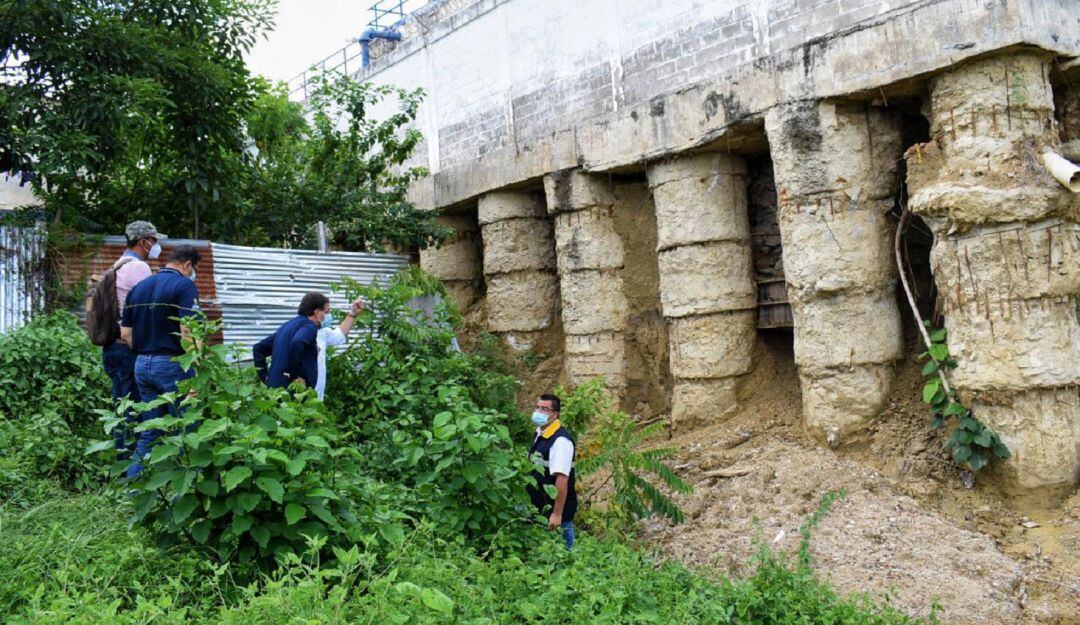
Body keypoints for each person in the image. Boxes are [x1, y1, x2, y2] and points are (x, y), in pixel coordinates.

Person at [120, 245, 202, 478]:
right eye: (193, 269)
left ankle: (134, 488)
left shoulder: (138, 288)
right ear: (187, 265)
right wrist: (197, 370)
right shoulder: (184, 286)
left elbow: (125, 334)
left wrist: (147, 354)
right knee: (187, 428)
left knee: (152, 430)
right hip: (173, 364)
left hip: (141, 365)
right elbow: (188, 330)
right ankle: (185, 490)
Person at [103, 221, 164, 455]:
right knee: (135, 409)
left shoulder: (118, 264)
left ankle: (123, 458)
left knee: (121, 406)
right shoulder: (139, 268)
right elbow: (147, 309)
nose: (156, 246)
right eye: (154, 240)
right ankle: (136, 463)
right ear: (143, 242)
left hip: (112, 346)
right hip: (128, 347)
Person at [526, 393, 578, 549]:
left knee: (565, 551)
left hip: (555, 511)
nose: (538, 412)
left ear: (554, 415)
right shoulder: (540, 433)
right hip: (539, 507)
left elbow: (562, 479)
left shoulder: (561, 441)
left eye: (544, 409)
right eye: (537, 407)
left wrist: (556, 514)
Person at [252, 292, 329, 392]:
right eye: (326, 312)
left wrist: (265, 376)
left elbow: (258, 348)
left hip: (274, 390)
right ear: (317, 312)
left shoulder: (288, 326)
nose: (326, 316)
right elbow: (298, 341)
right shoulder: (309, 326)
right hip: (292, 391)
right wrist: (294, 375)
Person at [313, 297, 364, 400]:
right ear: (317, 313)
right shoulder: (300, 333)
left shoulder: (322, 332)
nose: (329, 314)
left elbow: (339, 334)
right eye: (327, 311)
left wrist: (353, 313)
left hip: (317, 394)